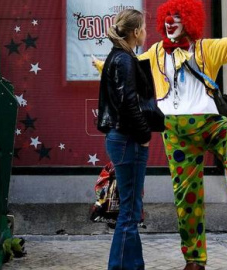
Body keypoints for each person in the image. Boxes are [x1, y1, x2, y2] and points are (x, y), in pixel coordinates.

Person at [94, 1, 227, 269]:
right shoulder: (154, 53)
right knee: (187, 198)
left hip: (208, 123)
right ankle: (194, 260)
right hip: (175, 134)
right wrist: (102, 65)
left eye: (177, 17)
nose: (170, 22)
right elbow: (129, 68)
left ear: (190, 20)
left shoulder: (205, 48)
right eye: (168, 17)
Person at [97, 9, 153, 270]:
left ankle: (134, 265)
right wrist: (144, 136)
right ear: (134, 32)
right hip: (128, 139)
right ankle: (119, 267)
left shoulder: (119, 57)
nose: (146, 31)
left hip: (122, 138)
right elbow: (129, 103)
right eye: (143, 27)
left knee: (131, 209)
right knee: (129, 212)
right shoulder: (124, 60)